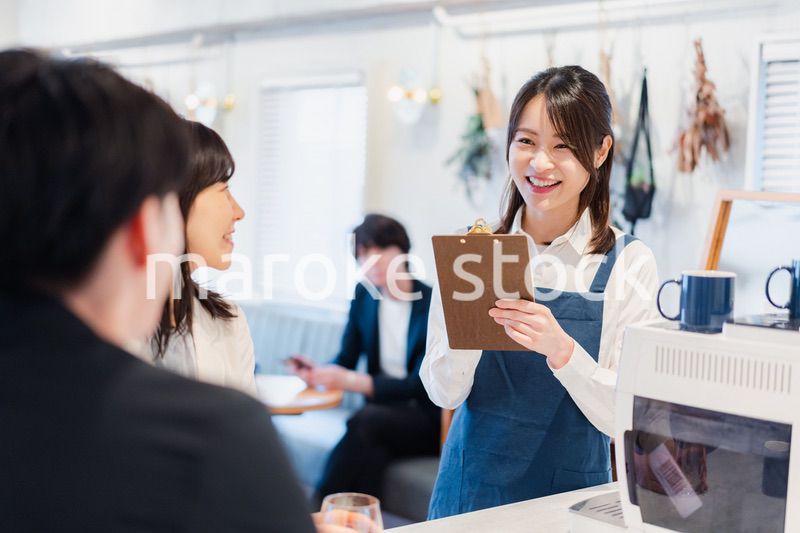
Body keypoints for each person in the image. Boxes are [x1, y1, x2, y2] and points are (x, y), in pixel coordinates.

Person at [0, 49, 314, 532]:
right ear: (148, 226)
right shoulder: (213, 437)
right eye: (222, 190)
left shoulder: (222, 324)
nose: (239, 213)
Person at [421, 65, 660, 518]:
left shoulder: (629, 262)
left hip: (568, 505)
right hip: (467, 497)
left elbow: (626, 415)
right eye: (526, 141)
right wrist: (471, 323)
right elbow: (442, 393)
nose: (540, 163)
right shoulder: (472, 251)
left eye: (563, 146)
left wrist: (562, 351)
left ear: (601, 150)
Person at [288, 214, 440, 502]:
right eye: (363, 254)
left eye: (380, 250)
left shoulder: (433, 302)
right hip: (382, 419)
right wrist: (319, 372)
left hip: (423, 417)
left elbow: (420, 384)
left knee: (365, 421)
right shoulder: (364, 295)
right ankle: (352, 520)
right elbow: (347, 356)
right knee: (371, 452)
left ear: (403, 250)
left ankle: (316, 510)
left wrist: (348, 381)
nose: (372, 261)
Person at [144, 119, 257, 397]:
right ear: (175, 197)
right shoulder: (107, 326)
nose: (239, 211)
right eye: (224, 189)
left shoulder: (228, 322)